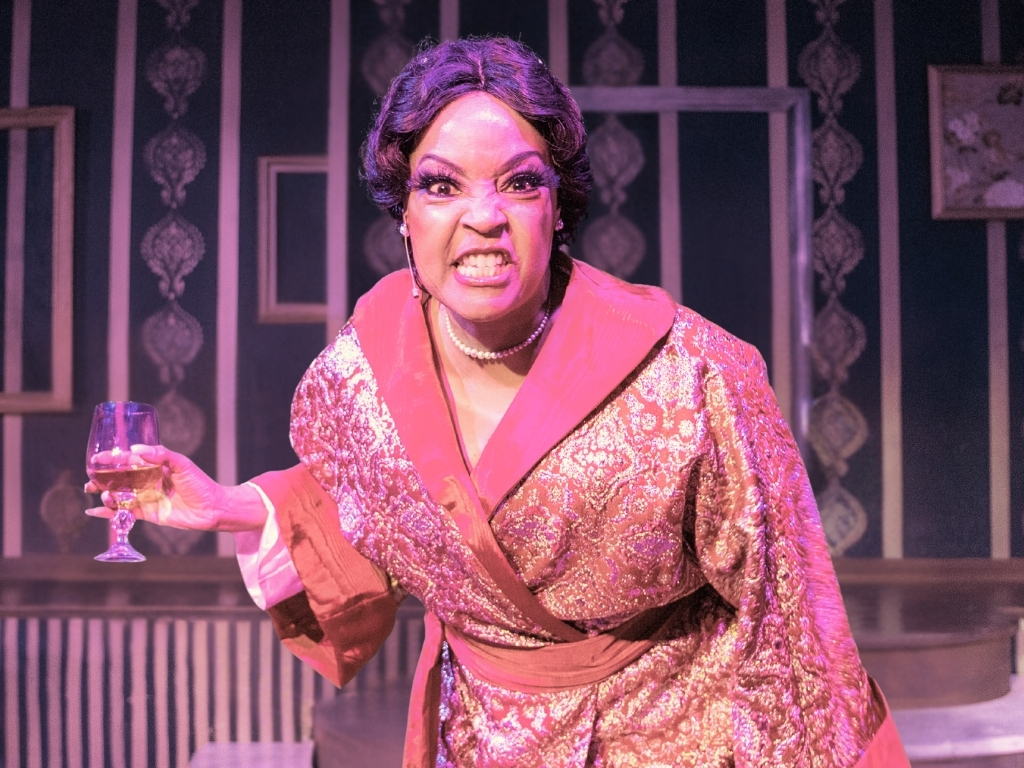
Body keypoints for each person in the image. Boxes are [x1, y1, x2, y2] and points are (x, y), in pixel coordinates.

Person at [88, 36, 909, 768]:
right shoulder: (358, 376)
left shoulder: (694, 374)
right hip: (479, 735)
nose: (482, 218)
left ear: (557, 209)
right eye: (441, 186)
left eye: (518, 183)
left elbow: (792, 623)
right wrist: (228, 506)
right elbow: (386, 512)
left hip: (673, 734)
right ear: (404, 214)